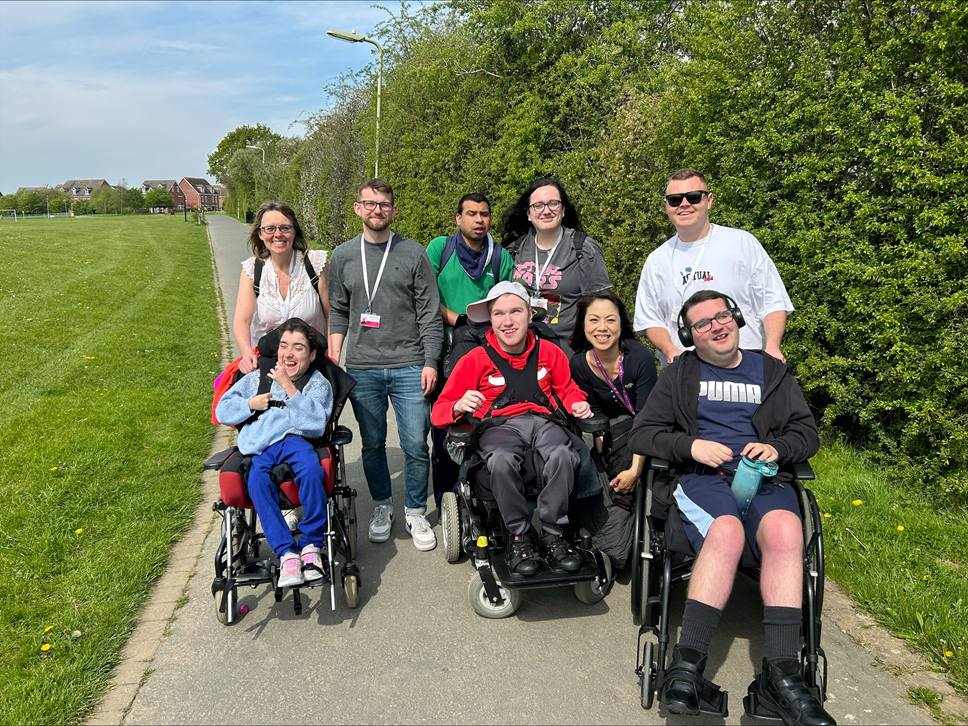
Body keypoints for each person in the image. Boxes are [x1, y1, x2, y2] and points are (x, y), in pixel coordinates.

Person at [628, 290, 833, 726]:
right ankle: (687, 666)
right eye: (702, 323)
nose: (716, 326)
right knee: (726, 531)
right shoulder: (680, 374)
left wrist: (776, 448)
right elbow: (642, 435)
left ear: (737, 318)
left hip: (764, 477)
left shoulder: (772, 371)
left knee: (786, 532)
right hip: (704, 479)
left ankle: (783, 676)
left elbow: (806, 434)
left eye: (722, 315)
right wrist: (691, 446)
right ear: (689, 335)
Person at [431, 281, 594, 576]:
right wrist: (458, 405)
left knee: (563, 453)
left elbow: (568, 389)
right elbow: (439, 412)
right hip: (499, 427)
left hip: (545, 422)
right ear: (490, 320)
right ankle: (519, 537)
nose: (508, 321)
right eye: (499, 314)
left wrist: (577, 403)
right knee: (501, 459)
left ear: (529, 314)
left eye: (516, 312)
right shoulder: (474, 359)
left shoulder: (550, 352)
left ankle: (553, 535)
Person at [328, 179, 443, 552]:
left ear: (394, 210)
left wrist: (430, 361)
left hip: (411, 365)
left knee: (415, 444)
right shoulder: (343, 255)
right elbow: (339, 312)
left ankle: (414, 510)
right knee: (373, 444)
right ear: (358, 208)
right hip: (362, 367)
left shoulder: (414, 253)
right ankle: (382, 507)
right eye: (370, 204)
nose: (377, 210)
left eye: (384, 205)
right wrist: (334, 359)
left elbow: (429, 312)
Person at [214, 318, 334, 588]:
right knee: (256, 480)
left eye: (298, 348)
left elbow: (316, 423)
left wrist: (289, 387)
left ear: (312, 354)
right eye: (284, 346)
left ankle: (311, 545)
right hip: (261, 445)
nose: (289, 353)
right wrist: (249, 404)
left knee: (312, 471)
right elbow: (223, 409)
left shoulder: (317, 383)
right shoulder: (259, 377)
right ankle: (287, 553)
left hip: (296, 441)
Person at [633, 168, 793, 367]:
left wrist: (773, 346)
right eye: (675, 199)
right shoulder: (656, 261)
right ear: (666, 205)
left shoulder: (742, 243)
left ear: (709, 200)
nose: (684, 204)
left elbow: (773, 300)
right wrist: (669, 349)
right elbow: (650, 319)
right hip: (686, 374)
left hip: (746, 367)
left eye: (693, 197)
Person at [427, 192, 515, 506]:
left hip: (486, 355)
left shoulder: (500, 256)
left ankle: (483, 493)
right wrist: (459, 320)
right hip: (442, 352)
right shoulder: (440, 249)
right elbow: (425, 295)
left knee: (485, 421)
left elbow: (508, 300)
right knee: (446, 423)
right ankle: (447, 498)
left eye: (485, 214)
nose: (479, 220)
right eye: (472, 213)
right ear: (458, 218)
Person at [568, 290, 657, 569]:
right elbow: (596, 416)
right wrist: (600, 454)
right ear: (583, 325)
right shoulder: (579, 363)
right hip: (613, 432)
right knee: (588, 466)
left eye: (610, 320)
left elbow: (647, 417)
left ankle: (617, 548)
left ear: (621, 325)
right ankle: (597, 536)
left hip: (647, 429)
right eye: (594, 320)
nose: (602, 328)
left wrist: (635, 470)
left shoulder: (640, 357)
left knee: (624, 467)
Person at [501, 177, 612, 355]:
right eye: (538, 205)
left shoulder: (583, 248)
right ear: (528, 214)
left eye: (553, 203)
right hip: (522, 352)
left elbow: (602, 307)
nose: (546, 211)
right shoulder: (514, 250)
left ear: (563, 210)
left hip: (568, 353)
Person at [233, 201, 330, 375]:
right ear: (260, 234)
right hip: (267, 365)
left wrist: (333, 356)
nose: (278, 234)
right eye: (270, 229)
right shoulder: (253, 269)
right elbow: (242, 320)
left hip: (311, 366)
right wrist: (247, 354)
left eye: (285, 228)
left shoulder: (315, 264)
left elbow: (332, 314)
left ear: (294, 231)